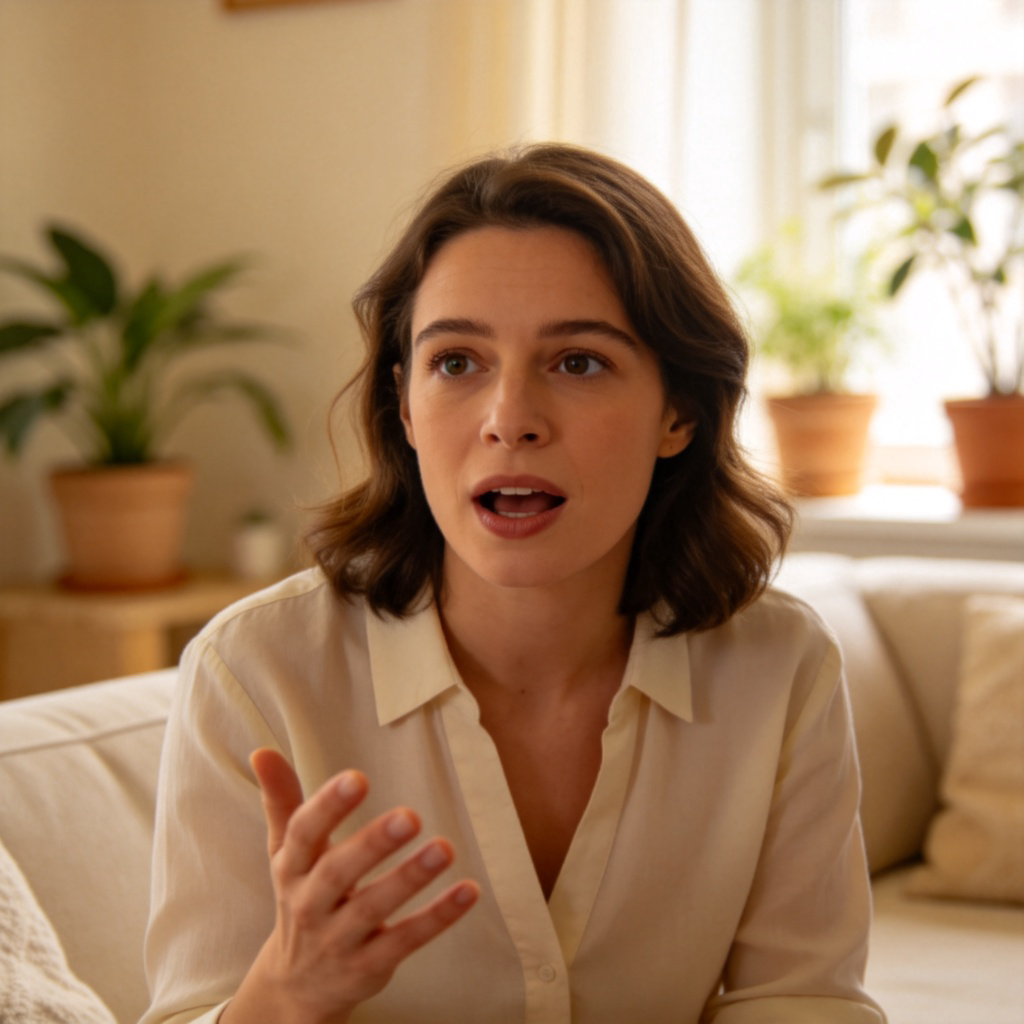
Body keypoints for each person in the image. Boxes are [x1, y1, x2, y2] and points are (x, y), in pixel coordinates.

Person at [142, 144, 886, 1024]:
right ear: (407, 407)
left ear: (678, 412)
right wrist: (283, 994)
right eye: (457, 362)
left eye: (578, 362)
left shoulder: (780, 665)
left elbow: (802, 1000)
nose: (510, 421)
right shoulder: (253, 670)